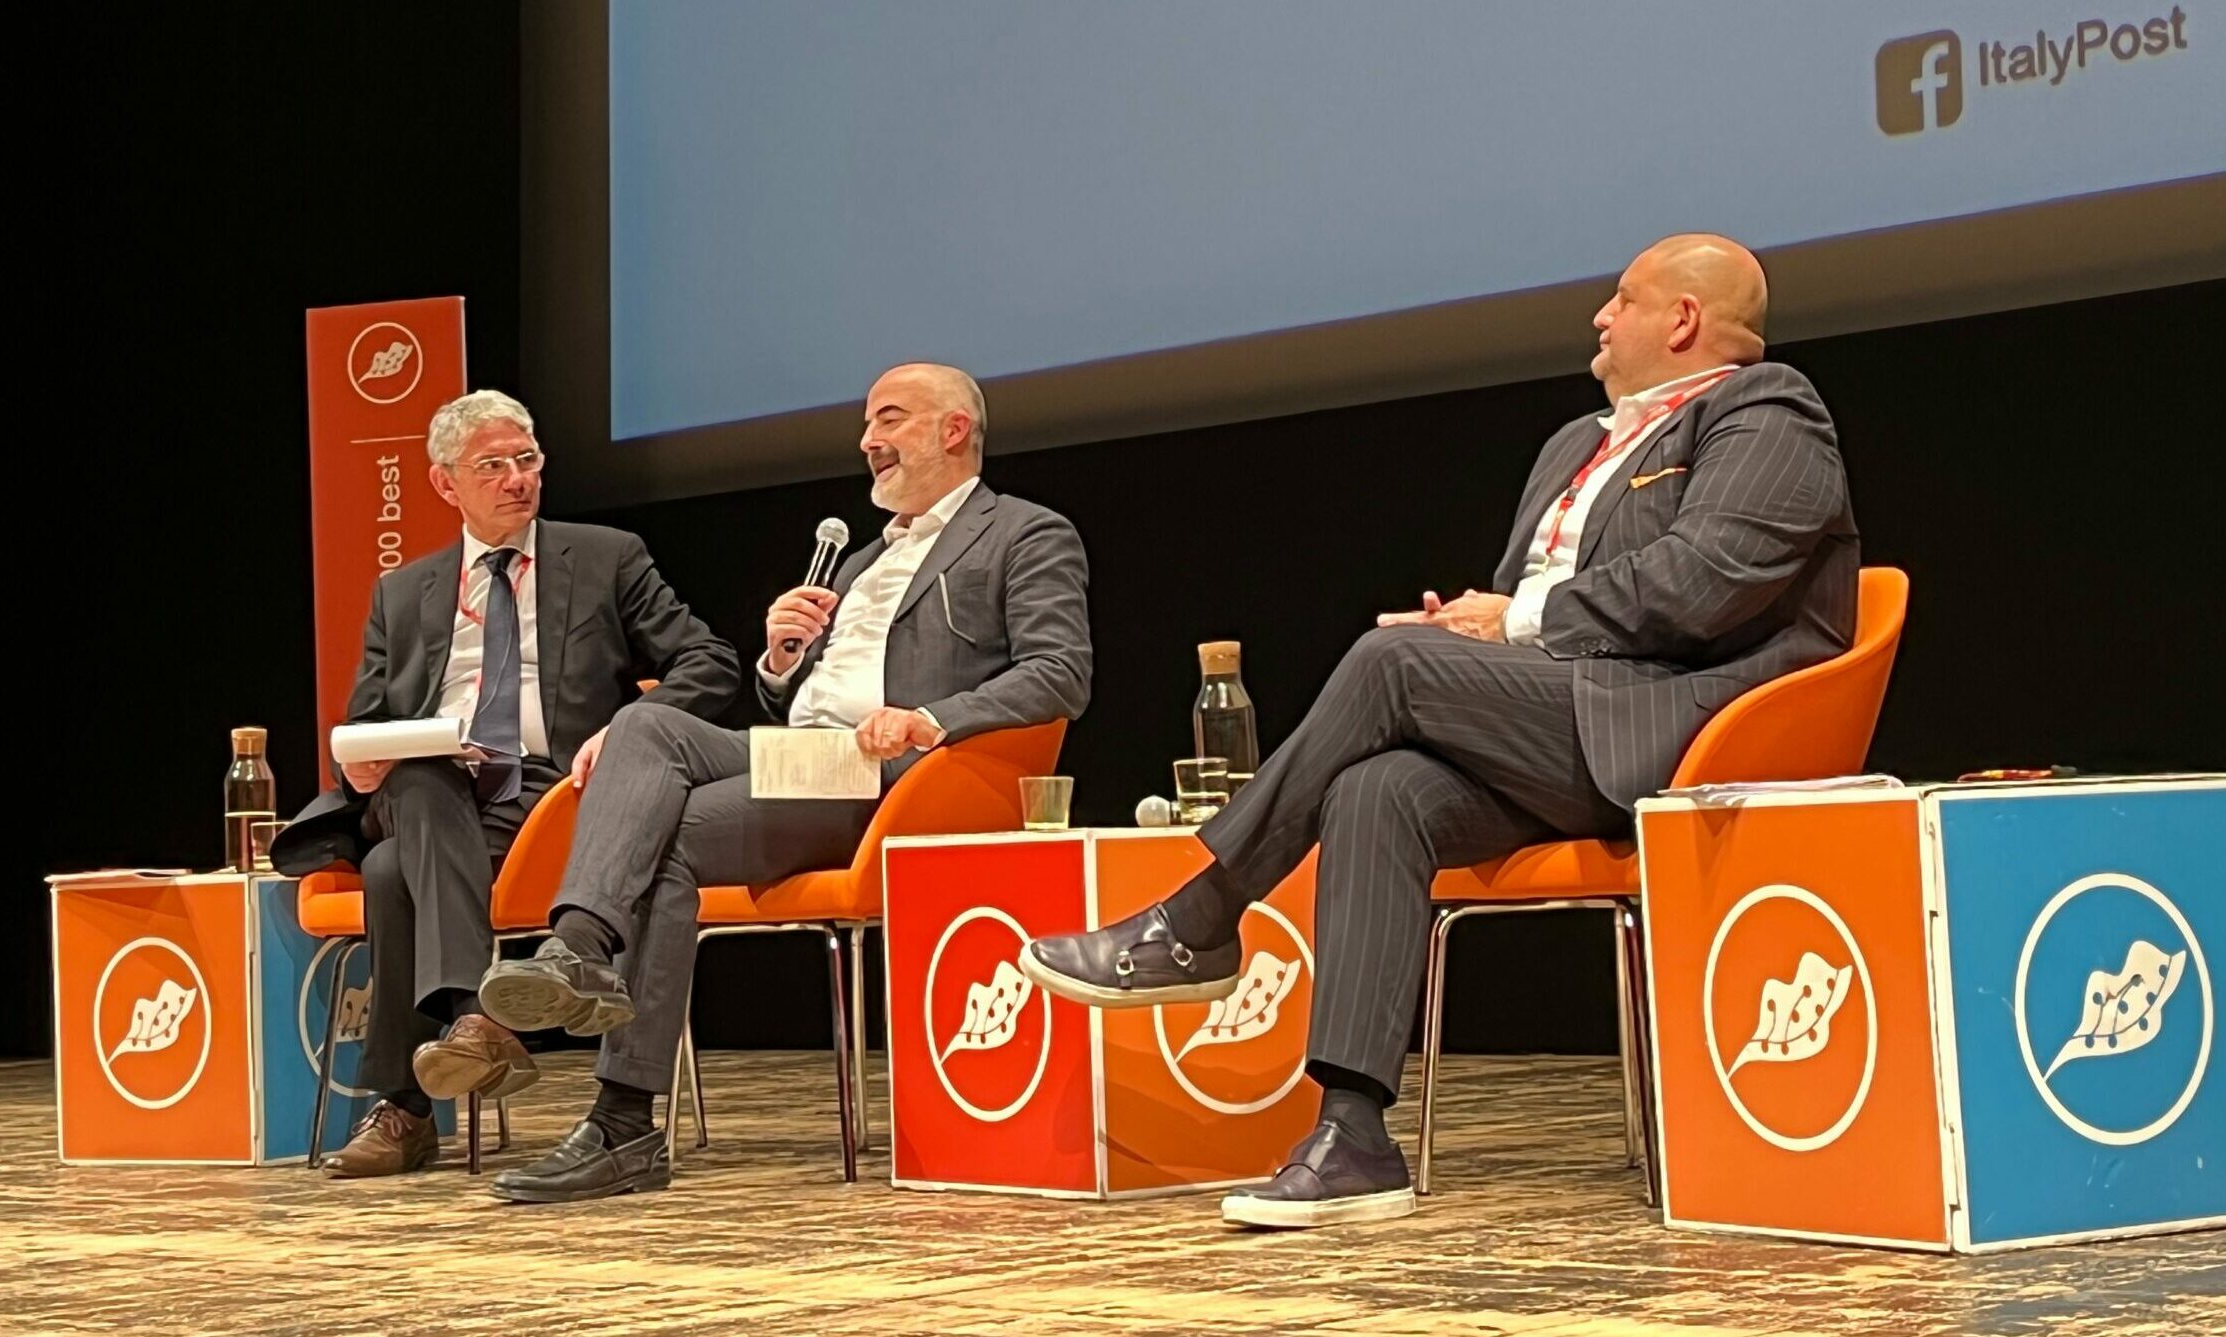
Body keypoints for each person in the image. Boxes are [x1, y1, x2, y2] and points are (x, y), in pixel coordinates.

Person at [1023, 235, 1859, 1229]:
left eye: (1622, 299)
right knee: (1375, 789)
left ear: (1682, 319)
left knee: (1390, 663)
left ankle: (1200, 917)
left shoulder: (1767, 409)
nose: (1600, 316)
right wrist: (1466, 625)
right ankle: (1353, 1136)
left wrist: (1500, 626)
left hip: (1672, 724)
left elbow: (1702, 582)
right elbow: (1524, 605)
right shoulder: (1575, 443)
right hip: (1561, 721)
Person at [475, 362, 1093, 1203]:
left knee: (659, 842)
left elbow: (1060, 671)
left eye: (889, 419)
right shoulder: (862, 559)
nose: (868, 440)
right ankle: (578, 952)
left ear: (954, 429)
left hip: (888, 772)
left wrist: (930, 718)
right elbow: (798, 702)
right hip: (802, 753)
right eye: (867, 424)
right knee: (644, 725)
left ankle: (621, 1120)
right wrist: (779, 661)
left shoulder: (1024, 532)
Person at [271, 389, 741, 1178]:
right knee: (421, 780)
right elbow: (366, 720)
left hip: (551, 796)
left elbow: (710, 660)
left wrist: (628, 727)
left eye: (527, 460)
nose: (517, 479)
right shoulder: (403, 593)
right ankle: (478, 1018)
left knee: (387, 871)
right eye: (492, 465)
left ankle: (408, 1109)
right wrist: (358, 763)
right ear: (445, 482)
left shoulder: (605, 558)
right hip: (429, 792)